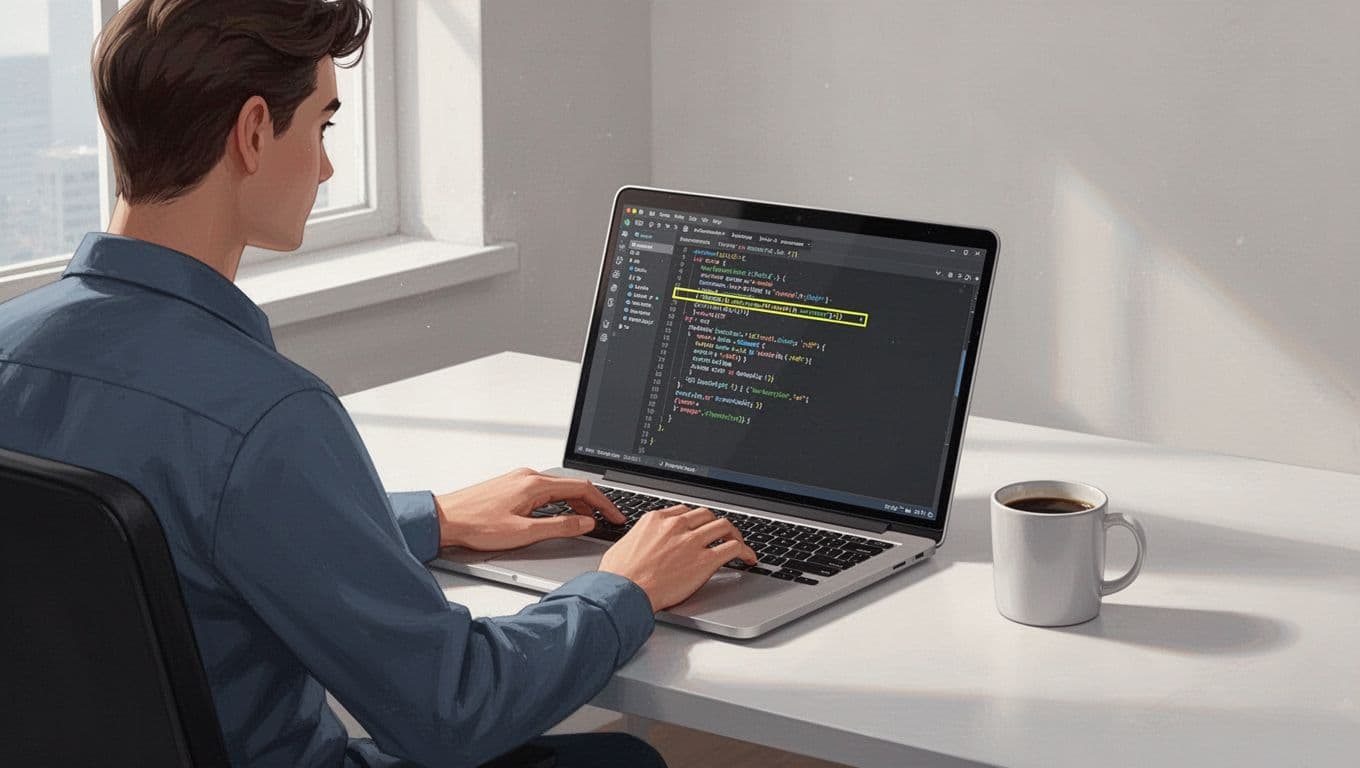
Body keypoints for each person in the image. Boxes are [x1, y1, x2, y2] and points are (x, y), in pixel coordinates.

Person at [0, 1, 758, 766]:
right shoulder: (267, 416)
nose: (327, 167)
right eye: (323, 126)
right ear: (254, 131)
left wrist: (429, 519)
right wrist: (622, 587)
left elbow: (169, 548)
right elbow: (453, 711)